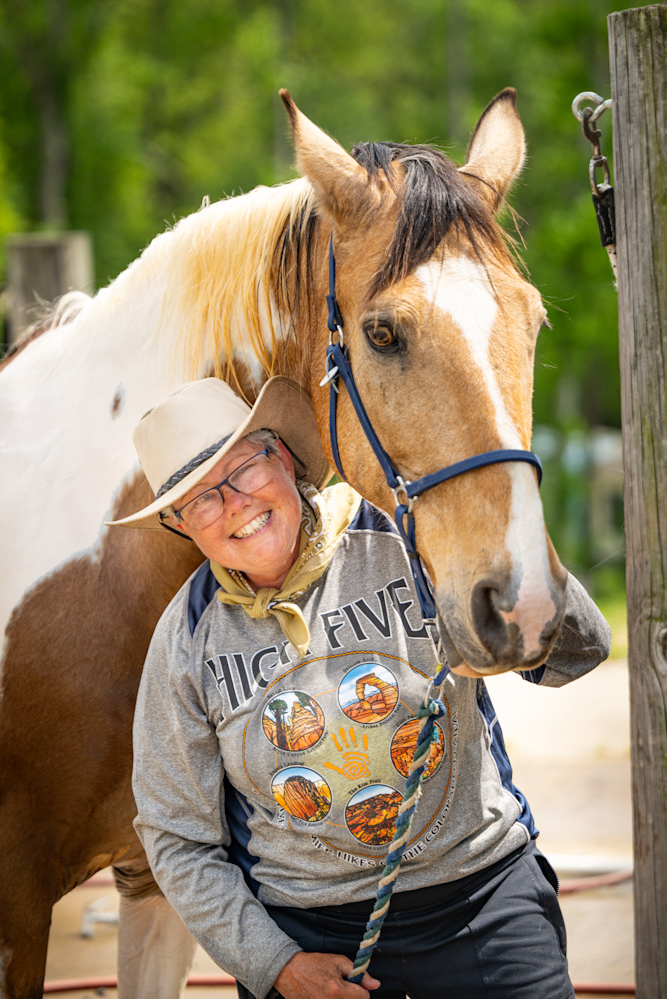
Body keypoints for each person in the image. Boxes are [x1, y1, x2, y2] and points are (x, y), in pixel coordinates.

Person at [109, 375, 611, 999]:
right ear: (182, 526)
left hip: (481, 898)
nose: (235, 502)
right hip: (307, 935)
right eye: (201, 498)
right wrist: (275, 965)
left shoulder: (406, 534)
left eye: (243, 468)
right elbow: (177, 838)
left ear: (284, 459)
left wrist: (503, 526)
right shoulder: (186, 641)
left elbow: (579, 653)